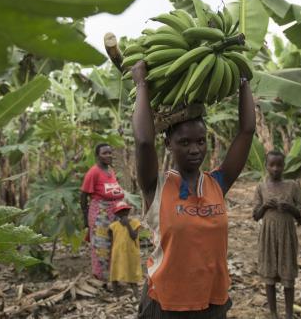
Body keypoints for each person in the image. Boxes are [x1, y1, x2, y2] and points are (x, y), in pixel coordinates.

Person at [131, 60, 256, 318]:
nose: (195, 149)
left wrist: (244, 82)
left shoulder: (217, 183)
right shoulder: (156, 187)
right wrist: (142, 85)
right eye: (184, 142)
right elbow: (144, 141)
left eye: (200, 141)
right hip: (165, 304)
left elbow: (247, 131)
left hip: (211, 302)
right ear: (168, 143)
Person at [252, 150, 301, 319]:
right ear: (266, 166)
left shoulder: (292, 186)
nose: (275, 168)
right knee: (269, 275)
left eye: (279, 165)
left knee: (288, 275)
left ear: (284, 166)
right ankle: (273, 313)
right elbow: (256, 215)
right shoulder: (261, 187)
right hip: (268, 235)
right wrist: (265, 206)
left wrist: (290, 208)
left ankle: (289, 314)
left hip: (287, 235)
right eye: (271, 165)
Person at [80, 143, 125, 281]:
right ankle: (101, 277)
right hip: (100, 213)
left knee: (115, 243)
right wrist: (85, 218)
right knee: (101, 245)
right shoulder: (93, 172)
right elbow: (83, 196)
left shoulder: (110, 171)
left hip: (114, 212)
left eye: (110, 152)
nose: (109, 155)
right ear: (97, 156)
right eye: (105, 153)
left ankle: (114, 275)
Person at [108, 200, 143, 296]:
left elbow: (134, 236)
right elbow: (111, 241)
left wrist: (128, 224)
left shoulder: (135, 223)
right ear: (117, 214)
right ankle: (116, 295)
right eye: (120, 212)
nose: (123, 213)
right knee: (115, 273)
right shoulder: (113, 226)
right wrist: (110, 254)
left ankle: (136, 294)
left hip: (130, 254)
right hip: (117, 254)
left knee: (132, 273)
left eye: (125, 211)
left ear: (128, 212)